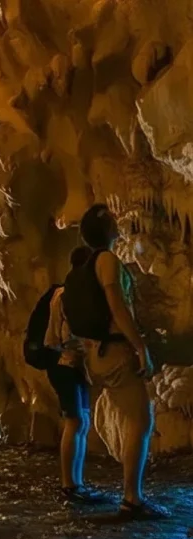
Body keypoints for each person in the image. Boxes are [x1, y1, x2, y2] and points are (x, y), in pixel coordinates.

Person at [63, 204, 167, 519]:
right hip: (116, 352)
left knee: (132, 419)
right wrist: (140, 347)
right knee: (140, 420)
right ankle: (132, 499)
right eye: (111, 220)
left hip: (96, 355)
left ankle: (131, 494)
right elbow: (117, 306)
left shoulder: (81, 269)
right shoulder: (106, 260)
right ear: (107, 230)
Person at [43, 246, 110, 503]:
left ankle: (76, 482)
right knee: (75, 422)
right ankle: (69, 484)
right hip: (65, 365)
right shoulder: (64, 295)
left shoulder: (71, 294)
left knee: (81, 423)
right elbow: (55, 337)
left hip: (75, 367)